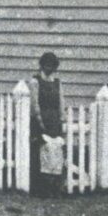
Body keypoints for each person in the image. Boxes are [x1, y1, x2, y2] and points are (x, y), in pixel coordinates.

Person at [29, 52, 66, 198]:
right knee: (42, 152)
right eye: (46, 65)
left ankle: (55, 188)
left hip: (54, 120)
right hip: (41, 120)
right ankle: (41, 189)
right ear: (42, 65)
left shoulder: (57, 82)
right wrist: (39, 120)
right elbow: (34, 103)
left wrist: (61, 119)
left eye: (52, 65)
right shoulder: (35, 81)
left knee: (56, 152)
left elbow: (61, 103)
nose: (49, 68)